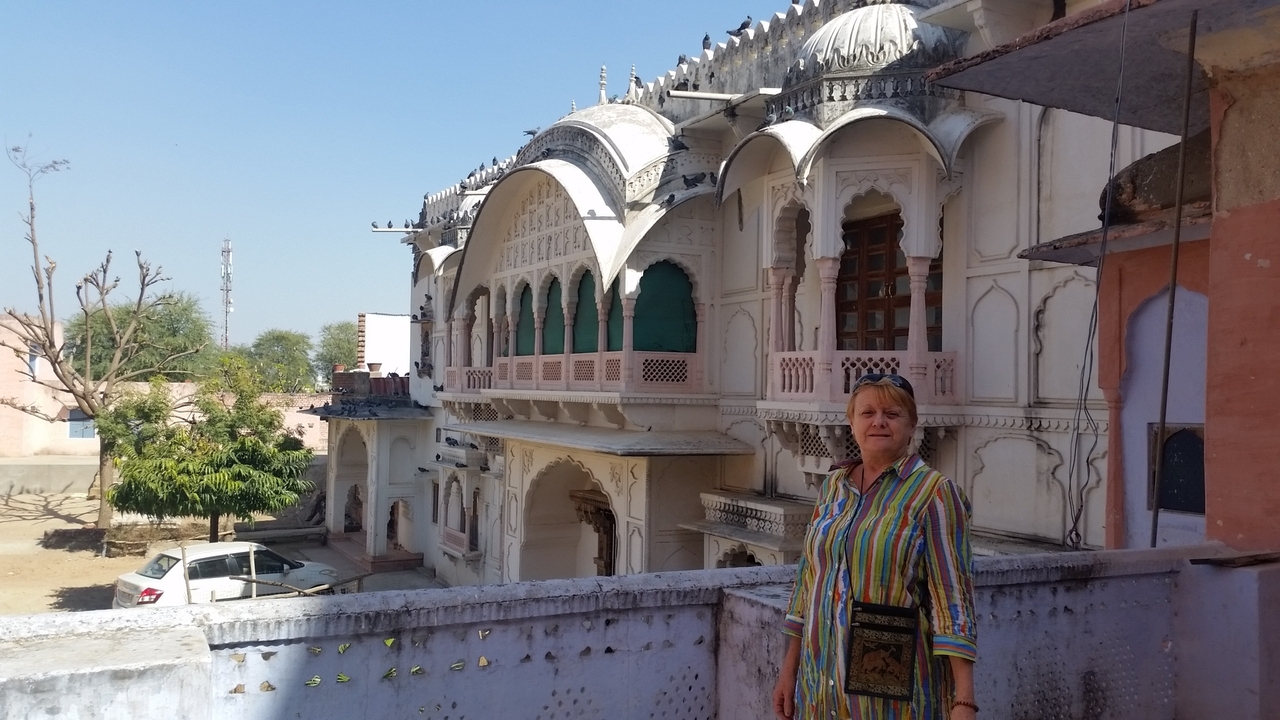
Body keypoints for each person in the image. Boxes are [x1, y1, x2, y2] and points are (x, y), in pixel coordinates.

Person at [772, 374, 978, 720]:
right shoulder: (834, 486)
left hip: (892, 686)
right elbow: (808, 582)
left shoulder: (934, 493)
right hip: (819, 681)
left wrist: (964, 700)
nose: (878, 421)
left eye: (892, 414)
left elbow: (952, 598)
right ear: (852, 423)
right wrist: (788, 670)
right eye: (867, 413)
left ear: (912, 425)